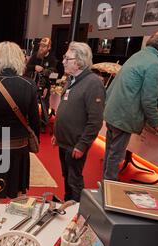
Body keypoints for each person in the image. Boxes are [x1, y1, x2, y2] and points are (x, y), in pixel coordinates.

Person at [103, 28, 158, 181]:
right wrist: (157, 123)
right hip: (123, 116)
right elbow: (148, 99)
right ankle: (109, 189)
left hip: (112, 112)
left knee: (110, 153)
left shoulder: (140, 55)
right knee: (115, 156)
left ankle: (105, 183)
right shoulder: (154, 63)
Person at [0, 41, 40, 202]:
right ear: (19, 59)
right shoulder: (30, 85)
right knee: (19, 193)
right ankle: (17, 225)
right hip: (20, 148)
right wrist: (35, 140)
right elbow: (35, 120)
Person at [52, 42, 105, 202]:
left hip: (75, 145)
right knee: (66, 176)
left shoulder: (93, 83)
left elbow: (95, 121)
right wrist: (57, 134)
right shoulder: (72, 79)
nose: (63, 61)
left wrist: (83, 144)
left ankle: (77, 212)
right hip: (64, 141)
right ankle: (68, 205)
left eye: (67, 58)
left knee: (74, 181)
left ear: (79, 61)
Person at [24, 37, 59, 131]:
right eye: (41, 46)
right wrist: (34, 67)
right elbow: (27, 67)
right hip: (33, 83)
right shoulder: (36, 56)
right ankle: (30, 121)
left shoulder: (52, 59)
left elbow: (53, 72)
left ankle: (43, 124)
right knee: (31, 102)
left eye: (44, 46)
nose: (41, 48)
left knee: (45, 104)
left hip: (45, 86)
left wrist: (44, 70)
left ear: (49, 47)